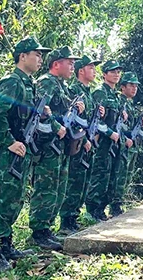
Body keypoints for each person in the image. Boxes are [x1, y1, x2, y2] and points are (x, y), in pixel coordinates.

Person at [0, 36, 51, 272]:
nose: (40, 59)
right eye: (37, 54)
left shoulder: (28, 84)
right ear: (23, 56)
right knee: (3, 201)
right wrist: (9, 141)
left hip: (22, 151)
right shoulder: (11, 82)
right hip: (7, 152)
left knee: (15, 200)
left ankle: (6, 246)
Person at [29, 46, 82, 250]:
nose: (72, 66)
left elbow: (61, 112)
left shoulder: (61, 86)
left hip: (59, 147)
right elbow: (39, 109)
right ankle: (38, 232)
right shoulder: (46, 82)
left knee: (58, 189)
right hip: (47, 146)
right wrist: (55, 126)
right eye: (69, 62)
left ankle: (47, 230)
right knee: (46, 189)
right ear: (56, 64)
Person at [59, 55, 102, 235]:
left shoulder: (89, 93)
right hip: (77, 143)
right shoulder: (73, 90)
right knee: (74, 183)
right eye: (91, 67)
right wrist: (84, 140)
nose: (94, 71)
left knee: (83, 183)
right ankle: (66, 220)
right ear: (81, 70)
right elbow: (71, 119)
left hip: (88, 144)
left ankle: (73, 218)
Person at [85, 60, 125, 221]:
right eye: (112, 71)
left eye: (118, 72)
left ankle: (101, 209)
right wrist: (109, 133)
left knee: (110, 175)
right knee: (99, 174)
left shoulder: (116, 95)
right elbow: (95, 120)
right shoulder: (100, 92)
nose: (116, 74)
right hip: (101, 141)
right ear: (104, 74)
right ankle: (93, 209)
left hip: (113, 143)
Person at [109, 71, 143, 216]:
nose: (134, 88)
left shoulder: (131, 105)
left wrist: (142, 121)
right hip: (123, 145)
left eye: (136, 86)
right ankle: (115, 205)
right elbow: (119, 125)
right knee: (119, 175)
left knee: (127, 176)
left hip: (131, 145)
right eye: (131, 85)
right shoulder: (120, 102)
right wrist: (126, 139)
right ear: (123, 87)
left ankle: (119, 202)